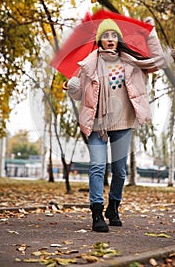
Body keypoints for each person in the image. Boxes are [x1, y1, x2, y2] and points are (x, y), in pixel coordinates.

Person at [63, 17, 166, 232]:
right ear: (99, 40)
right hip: (97, 123)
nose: (110, 39)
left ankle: (114, 208)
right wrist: (72, 88)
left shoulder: (131, 62)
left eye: (113, 35)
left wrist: (151, 34)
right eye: (105, 35)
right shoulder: (88, 64)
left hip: (123, 121)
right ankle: (97, 212)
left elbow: (159, 61)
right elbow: (79, 94)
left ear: (118, 39)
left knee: (120, 172)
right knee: (98, 166)